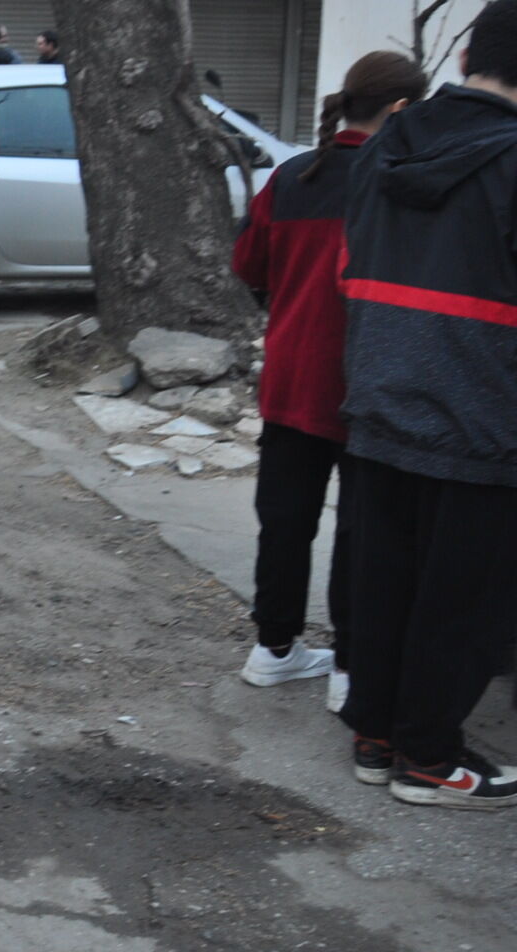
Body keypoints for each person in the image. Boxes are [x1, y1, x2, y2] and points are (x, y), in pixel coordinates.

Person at [336, 0, 517, 809]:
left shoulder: (384, 145)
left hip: (379, 400)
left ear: (467, 57)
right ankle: (430, 759)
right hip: (482, 421)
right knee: (462, 602)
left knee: (383, 584)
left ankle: (377, 737)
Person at [232, 50, 427, 713]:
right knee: (363, 533)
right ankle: (350, 665)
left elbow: (248, 265)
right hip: (371, 383)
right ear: (401, 109)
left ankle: (274, 648)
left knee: (284, 522)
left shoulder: (290, 177)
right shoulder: (404, 182)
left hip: (291, 377)